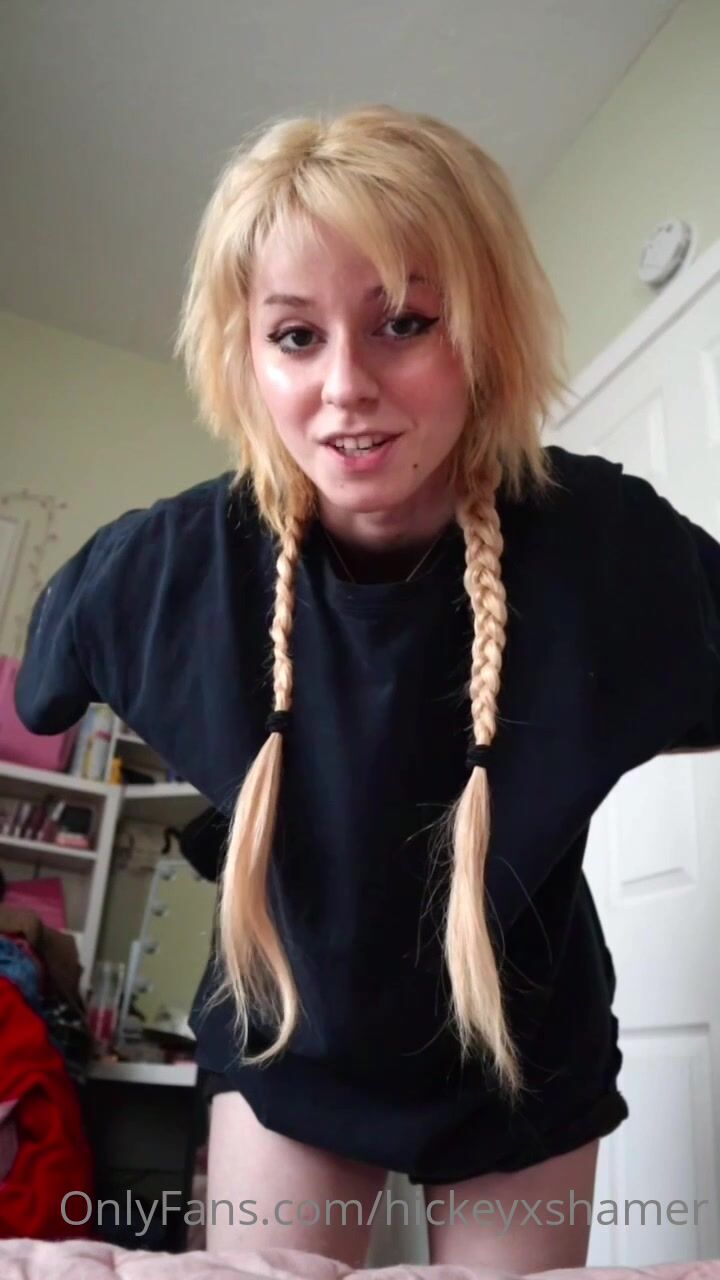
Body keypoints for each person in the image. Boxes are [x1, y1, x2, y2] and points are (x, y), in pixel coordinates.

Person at [14, 103, 720, 1271]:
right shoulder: (169, 568)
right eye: (296, 335)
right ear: (246, 352)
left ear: (483, 329)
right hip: (287, 1038)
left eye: (403, 322)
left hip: (522, 1056)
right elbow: (44, 681)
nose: (345, 385)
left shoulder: (610, 549)